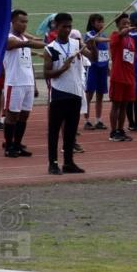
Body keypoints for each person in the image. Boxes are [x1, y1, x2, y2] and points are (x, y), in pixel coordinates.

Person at [44, 13, 89, 175]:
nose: (67, 29)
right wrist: (63, 68)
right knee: (54, 130)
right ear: (56, 26)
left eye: (69, 26)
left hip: (75, 93)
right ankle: (53, 163)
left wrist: (93, 46)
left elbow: (94, 58)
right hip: (59, 93)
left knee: (71, 130)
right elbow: (46, 73)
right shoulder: (50, 49)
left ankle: (69, 163)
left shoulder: (76, 43)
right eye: (64, 26)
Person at [2, 10, 46, 158]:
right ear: (13, 22)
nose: (24, 24)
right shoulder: (8, 38)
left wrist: (33, 83)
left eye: (26, 22)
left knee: (24, 115)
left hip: (27, 83)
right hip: (14, 83)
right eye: (21, 21)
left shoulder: (22, 38)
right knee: (12, 115)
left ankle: (17, 144)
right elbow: (27, 43)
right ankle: (8, 146)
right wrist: (47, 44)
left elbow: (29, 63)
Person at [107, 13, 136, 142]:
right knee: (116, 105)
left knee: (124, 105)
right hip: (118, 76)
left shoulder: (131, 40)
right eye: (124, 23)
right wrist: (125, 30)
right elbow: (119, 35)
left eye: (128, 23)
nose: (127, 26)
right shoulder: (115, 35)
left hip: (129, 77)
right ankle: (113, 132)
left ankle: (120, 129)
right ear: (118, 24)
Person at [83, 14, 109, 132]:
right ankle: (86, 120)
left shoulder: (104, 35)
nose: (101, 24)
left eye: (102, 22)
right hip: (92, 68)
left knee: (100, 95)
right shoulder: (89, 34)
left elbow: (106, 51)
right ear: (92, 23)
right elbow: (94, 40)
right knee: (89, 94)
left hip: (103, 68)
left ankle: (98, 120)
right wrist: (110, 39)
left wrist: (108, 65)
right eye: (98, 22)